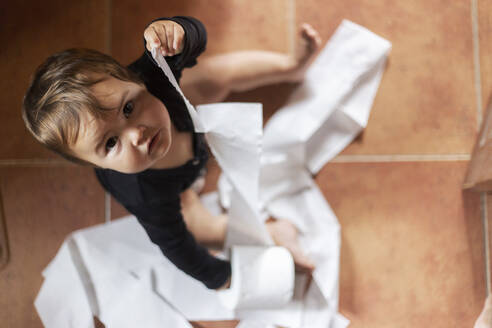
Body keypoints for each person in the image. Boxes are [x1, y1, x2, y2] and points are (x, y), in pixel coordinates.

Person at [22, 16, 321, 290]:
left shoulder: (154, 77)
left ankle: (290, 65)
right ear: (93, 163)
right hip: (173, 185)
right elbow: (176, 245)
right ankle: (274, 234)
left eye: (128, 108)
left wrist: (177, 33)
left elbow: (196, 40)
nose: (136, 133)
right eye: (110, 143)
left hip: (183, 118)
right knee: (199, 230)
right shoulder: (145, 195)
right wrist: (217, 276)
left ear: (135, 80)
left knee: (211, 77)